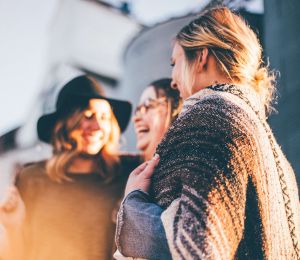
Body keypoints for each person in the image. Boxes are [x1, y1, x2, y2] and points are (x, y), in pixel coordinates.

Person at [116, 7, 300, 260]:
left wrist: (133, 202)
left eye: (175, 62)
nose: (172, 80)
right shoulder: (273, 152)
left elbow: (195, 246)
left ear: (201, 57)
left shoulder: (209, 115)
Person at [0, 75, 140, 260]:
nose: (97, 126)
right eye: (88, 116)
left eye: (105, 117)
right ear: (66, 123)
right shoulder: (31, 178)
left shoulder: (128, 173)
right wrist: (12, 225)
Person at [115, 78, 181, 260]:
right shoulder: (128, 169)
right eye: (137, 110)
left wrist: (133, 200)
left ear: (175, 109)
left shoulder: (182, 174)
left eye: (147, 106)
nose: (136, 118)